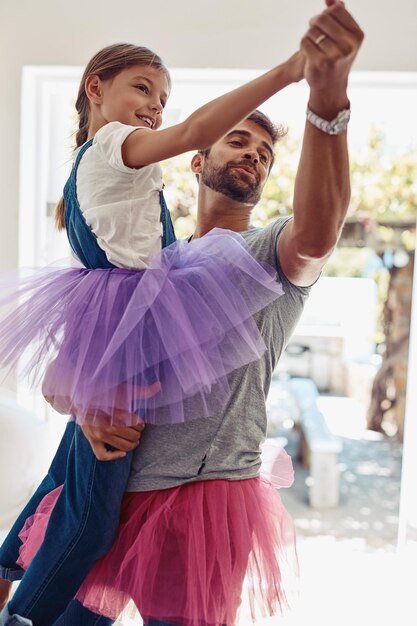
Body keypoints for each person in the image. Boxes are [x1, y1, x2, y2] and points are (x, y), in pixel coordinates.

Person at [0, 1, 364, 623]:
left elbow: (320, 233)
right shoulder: (143, 267)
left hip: (204, 501)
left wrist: (326, 106)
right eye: (237, 139)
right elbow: (61, 379)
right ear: (196, 162)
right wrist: (88, 411)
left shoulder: (270, 251)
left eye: (264, 154)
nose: (252, 153)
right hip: (114, 495)